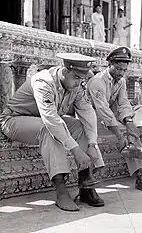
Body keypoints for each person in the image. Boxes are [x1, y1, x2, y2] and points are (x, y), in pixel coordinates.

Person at [0, 53, 105, 212]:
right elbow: (51, 120)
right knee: (49, 130)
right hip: (14, 120)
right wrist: (76, 150)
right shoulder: (44, 81)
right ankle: (61, 192)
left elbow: (87, 113)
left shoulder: (76, 84)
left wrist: (92, 144)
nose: (78, 83)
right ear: (65, 70)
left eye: (81, 80)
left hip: (44, 120)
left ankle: (86, 186)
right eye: (76, 78)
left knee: (79, 126)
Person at [87, 46, 142, 193]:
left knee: (140, 110)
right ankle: (141, 175)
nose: (121, 73)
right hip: (94, 116)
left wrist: (129, 121)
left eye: (124, 70)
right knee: (128, 138)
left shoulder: (120, 81)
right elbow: (103, 110)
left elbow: (123, 103)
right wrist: (119, 134)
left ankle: (138, 136)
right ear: (109, 64)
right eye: (118, 69)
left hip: (110, 115)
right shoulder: (98, 81)